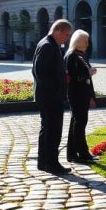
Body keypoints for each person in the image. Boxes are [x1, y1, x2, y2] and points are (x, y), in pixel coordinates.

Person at [33, 19, 73, 175]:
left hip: (49, 95)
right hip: (50, 97)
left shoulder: (49, 44)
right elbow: (40, 73)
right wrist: (56, 90)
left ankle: (43, 162)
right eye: (66, 35)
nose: (67, 38)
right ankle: (52, 164)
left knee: (47, 129)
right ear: (58, 31)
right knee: (53, 131)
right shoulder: (48, 46)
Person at [65, 30, 98, 163]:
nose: (87, 43)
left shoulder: (82, 55)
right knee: (79, 123)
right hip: (76, 94)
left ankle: (73, 153)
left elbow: (87, 78)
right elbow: (72, 77)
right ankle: (82, 153)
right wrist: (88, 73)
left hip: (83, 94)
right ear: (79, 41)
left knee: (78, 123)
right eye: (85, 40)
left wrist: (91, 96)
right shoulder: (71, 55)